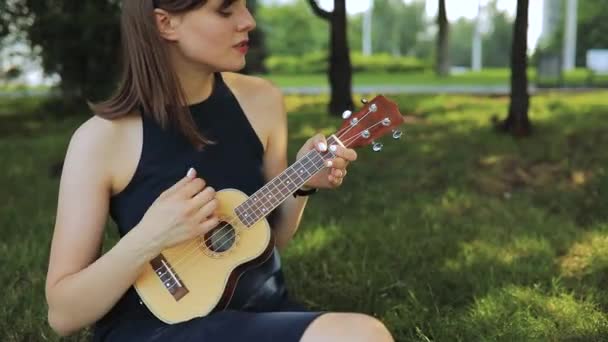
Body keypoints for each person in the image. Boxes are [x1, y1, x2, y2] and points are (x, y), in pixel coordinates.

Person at [44, 0, 394, 341]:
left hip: (264, 311)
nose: (248, 21)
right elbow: (63, 314)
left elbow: (266, 242)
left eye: (244, 5)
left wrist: (300, 185)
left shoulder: (262, 101)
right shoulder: (102, 139)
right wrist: (148, 237)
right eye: (225, 9)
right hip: (156, 328)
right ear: (165, 23)